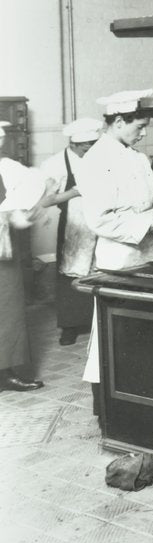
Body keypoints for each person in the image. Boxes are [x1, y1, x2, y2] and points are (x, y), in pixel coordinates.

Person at [78, 90, 153, 389]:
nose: (145, 133)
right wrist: (151, 225)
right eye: (140, 126)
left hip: (152, 256)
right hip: (121, 261)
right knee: (119, 337)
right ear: (120, 121)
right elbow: (101, 220)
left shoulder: (137, 157)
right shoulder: (96, 160)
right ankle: (115, 405)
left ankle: (151, 395)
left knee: (152, 332)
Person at [40, 117, 104, 345]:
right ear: (74, 144)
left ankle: (100, 323)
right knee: (71, 275)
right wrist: (75, 192)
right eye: (88, 145)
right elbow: (45, 201)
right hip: (74, 226)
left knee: (101, 271)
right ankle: (70, 327)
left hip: (101, 223)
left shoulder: (98, 158)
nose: (92, 149)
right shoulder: (56, 164)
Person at [0, 120, 46, 392]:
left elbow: (26, 197)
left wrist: (21, 213)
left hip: (3, 252)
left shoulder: (7, 168)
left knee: (7, 311)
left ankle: (6, 373)